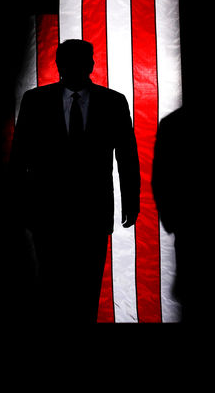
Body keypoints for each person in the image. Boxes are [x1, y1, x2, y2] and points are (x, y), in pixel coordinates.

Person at [9, 39, 140, 325]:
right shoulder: (35, 100)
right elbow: (19, 156)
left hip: (93, 213)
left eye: (81, 62)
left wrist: (131, 201)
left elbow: (127, 155)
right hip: (47, 213)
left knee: (87, 288)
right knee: (52, 286)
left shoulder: (113, 102)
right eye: (69, 62)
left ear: (91, 65)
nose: (75, 68)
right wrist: (18, 207)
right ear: (58, 66)